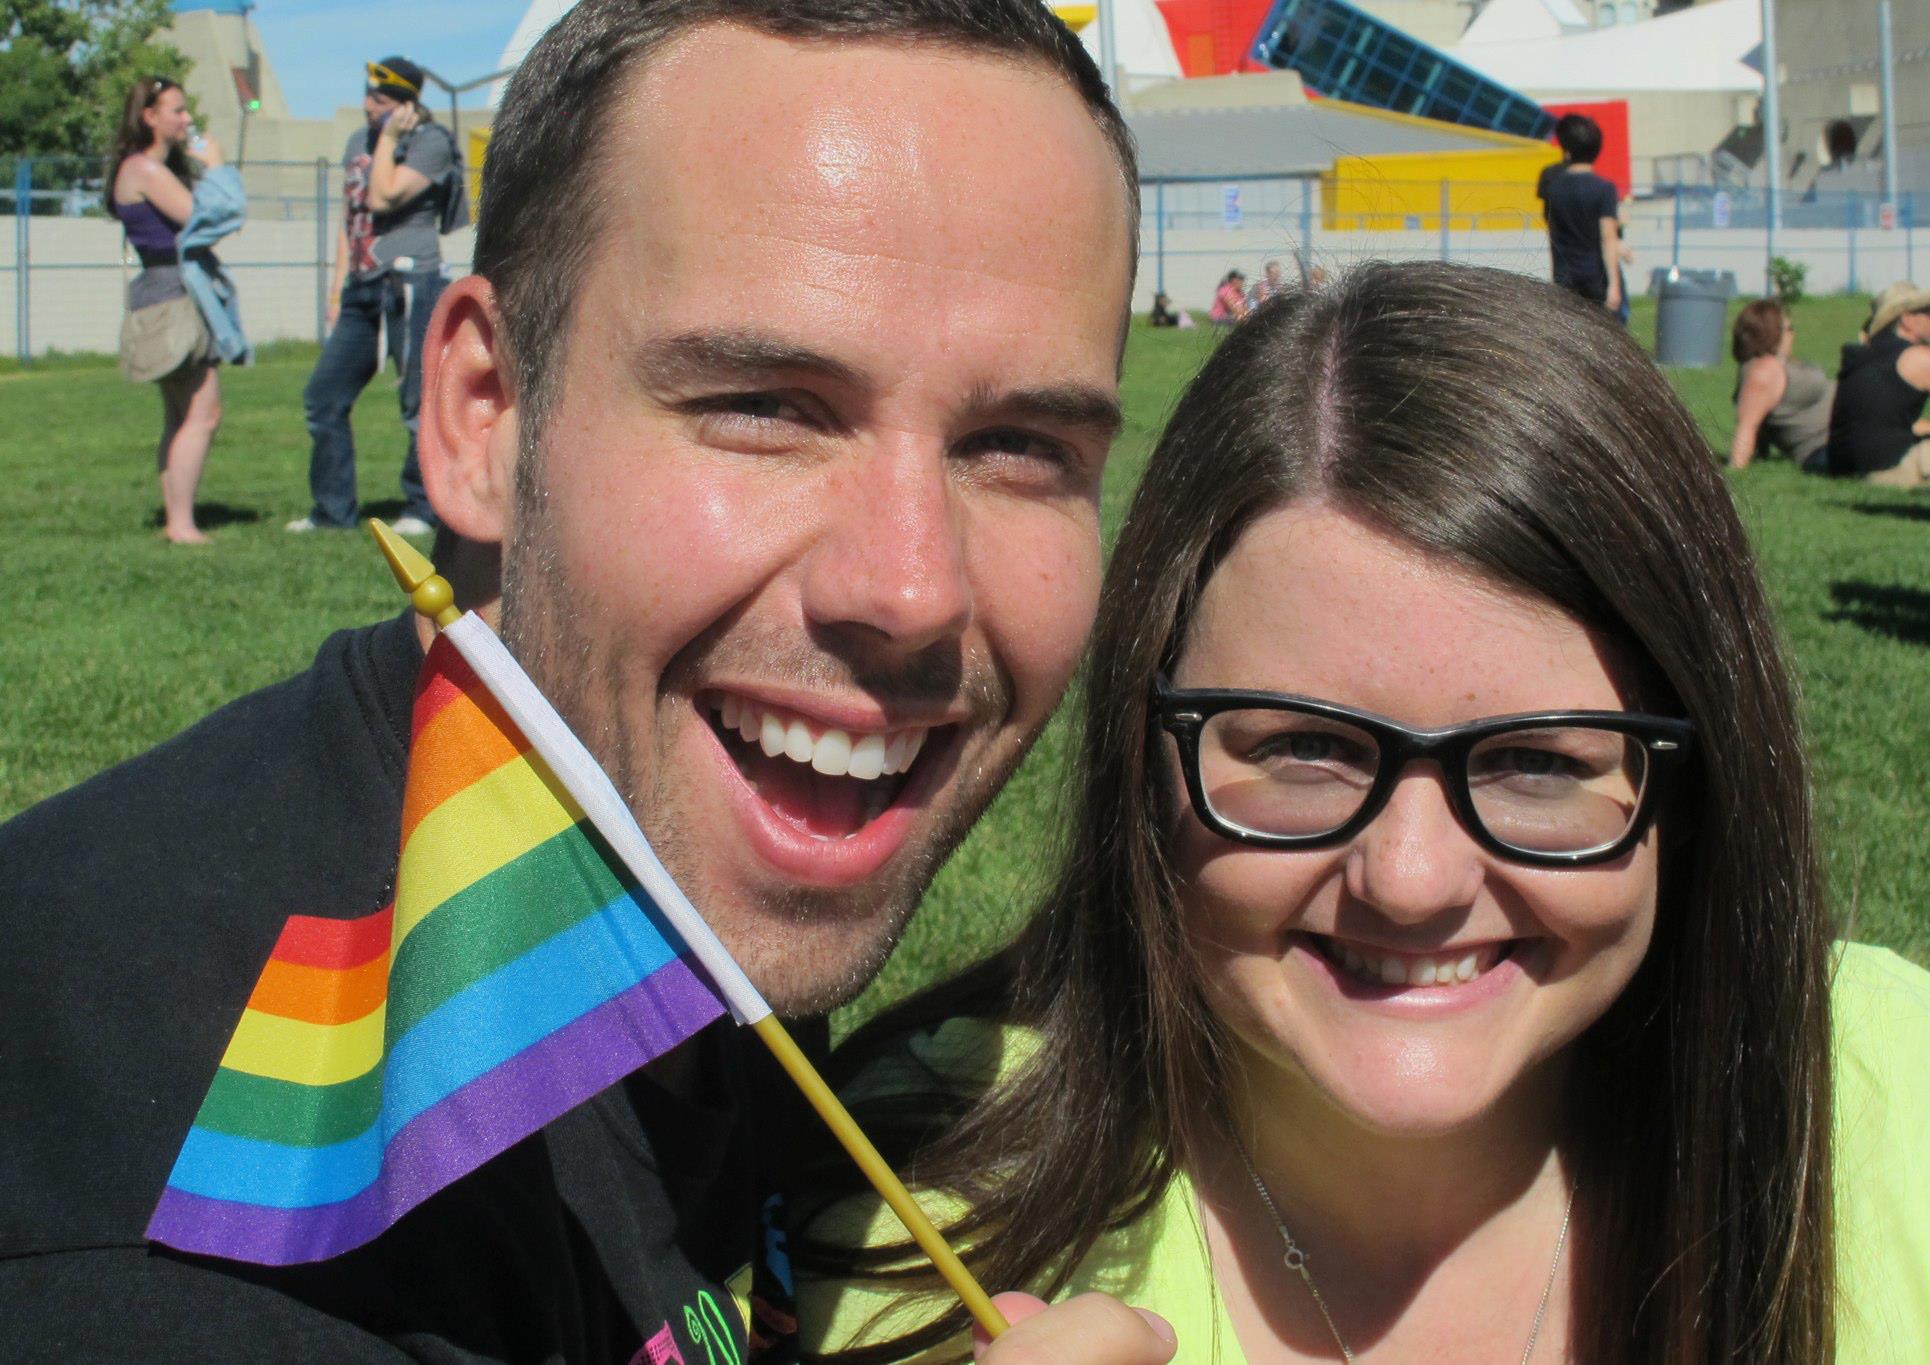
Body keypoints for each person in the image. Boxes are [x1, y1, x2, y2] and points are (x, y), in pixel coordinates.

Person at [0, 4, 1176, 1363]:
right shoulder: (167, 1236)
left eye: (1021, 444)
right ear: (483, 417)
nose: (913, 589)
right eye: (764, 406)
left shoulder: (666, 852)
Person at [797, 263, 1930, 1362]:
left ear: (1699, 784)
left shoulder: (1908, 1112)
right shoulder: (915, 1207)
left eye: (1540, 767)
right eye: (1299, 749)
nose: (1408, 879)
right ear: (1143, 749)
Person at [286, 56, 464, 536]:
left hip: (412, 285)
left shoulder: (431, 143)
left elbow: (384, 196)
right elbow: (353, 220)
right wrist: (337, 287)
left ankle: (423, 509)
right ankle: (332, 513)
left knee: (416, 403)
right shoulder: (355, 142)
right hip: (362, 291)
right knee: (323, 397)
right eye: (367, 95)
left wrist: (388, 140)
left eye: (380, 100)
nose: (367, 106)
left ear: (406, 105)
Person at [105, 76, 248, 544]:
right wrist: (219, 167)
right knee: (202, 412)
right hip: (172, 295)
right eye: (178, 111)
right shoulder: (143, 169)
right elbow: (207, 216)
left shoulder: (147, 168)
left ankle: (177, 519)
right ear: (150, 116)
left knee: (181, 413)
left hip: (169, 291)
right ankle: (181, 524)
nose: (187, 120)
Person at [1823, 282, 1930, 488]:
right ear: (1907, 319)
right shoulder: (1919, 359)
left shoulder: (1861, 357)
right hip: (1891, 469)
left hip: (1843, 466)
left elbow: (1878, 420)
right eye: (1928, 313)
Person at [1728, 297, 1833, 470]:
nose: (1793, 335)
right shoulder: (1764, 371)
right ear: (1771, 332)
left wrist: (1761, 453)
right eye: (1789, 329)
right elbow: (1748, 425)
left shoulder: (1769, 366)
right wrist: (1737, 466)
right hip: (1824, 447)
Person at [1536, 113, 1621, 314]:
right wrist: (1614, 285)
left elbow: (1550, 225)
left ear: (1566, 150)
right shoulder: (1604, 188)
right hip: (1595, 276)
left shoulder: (1554, 188)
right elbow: (1608, 238)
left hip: (1564, 275)